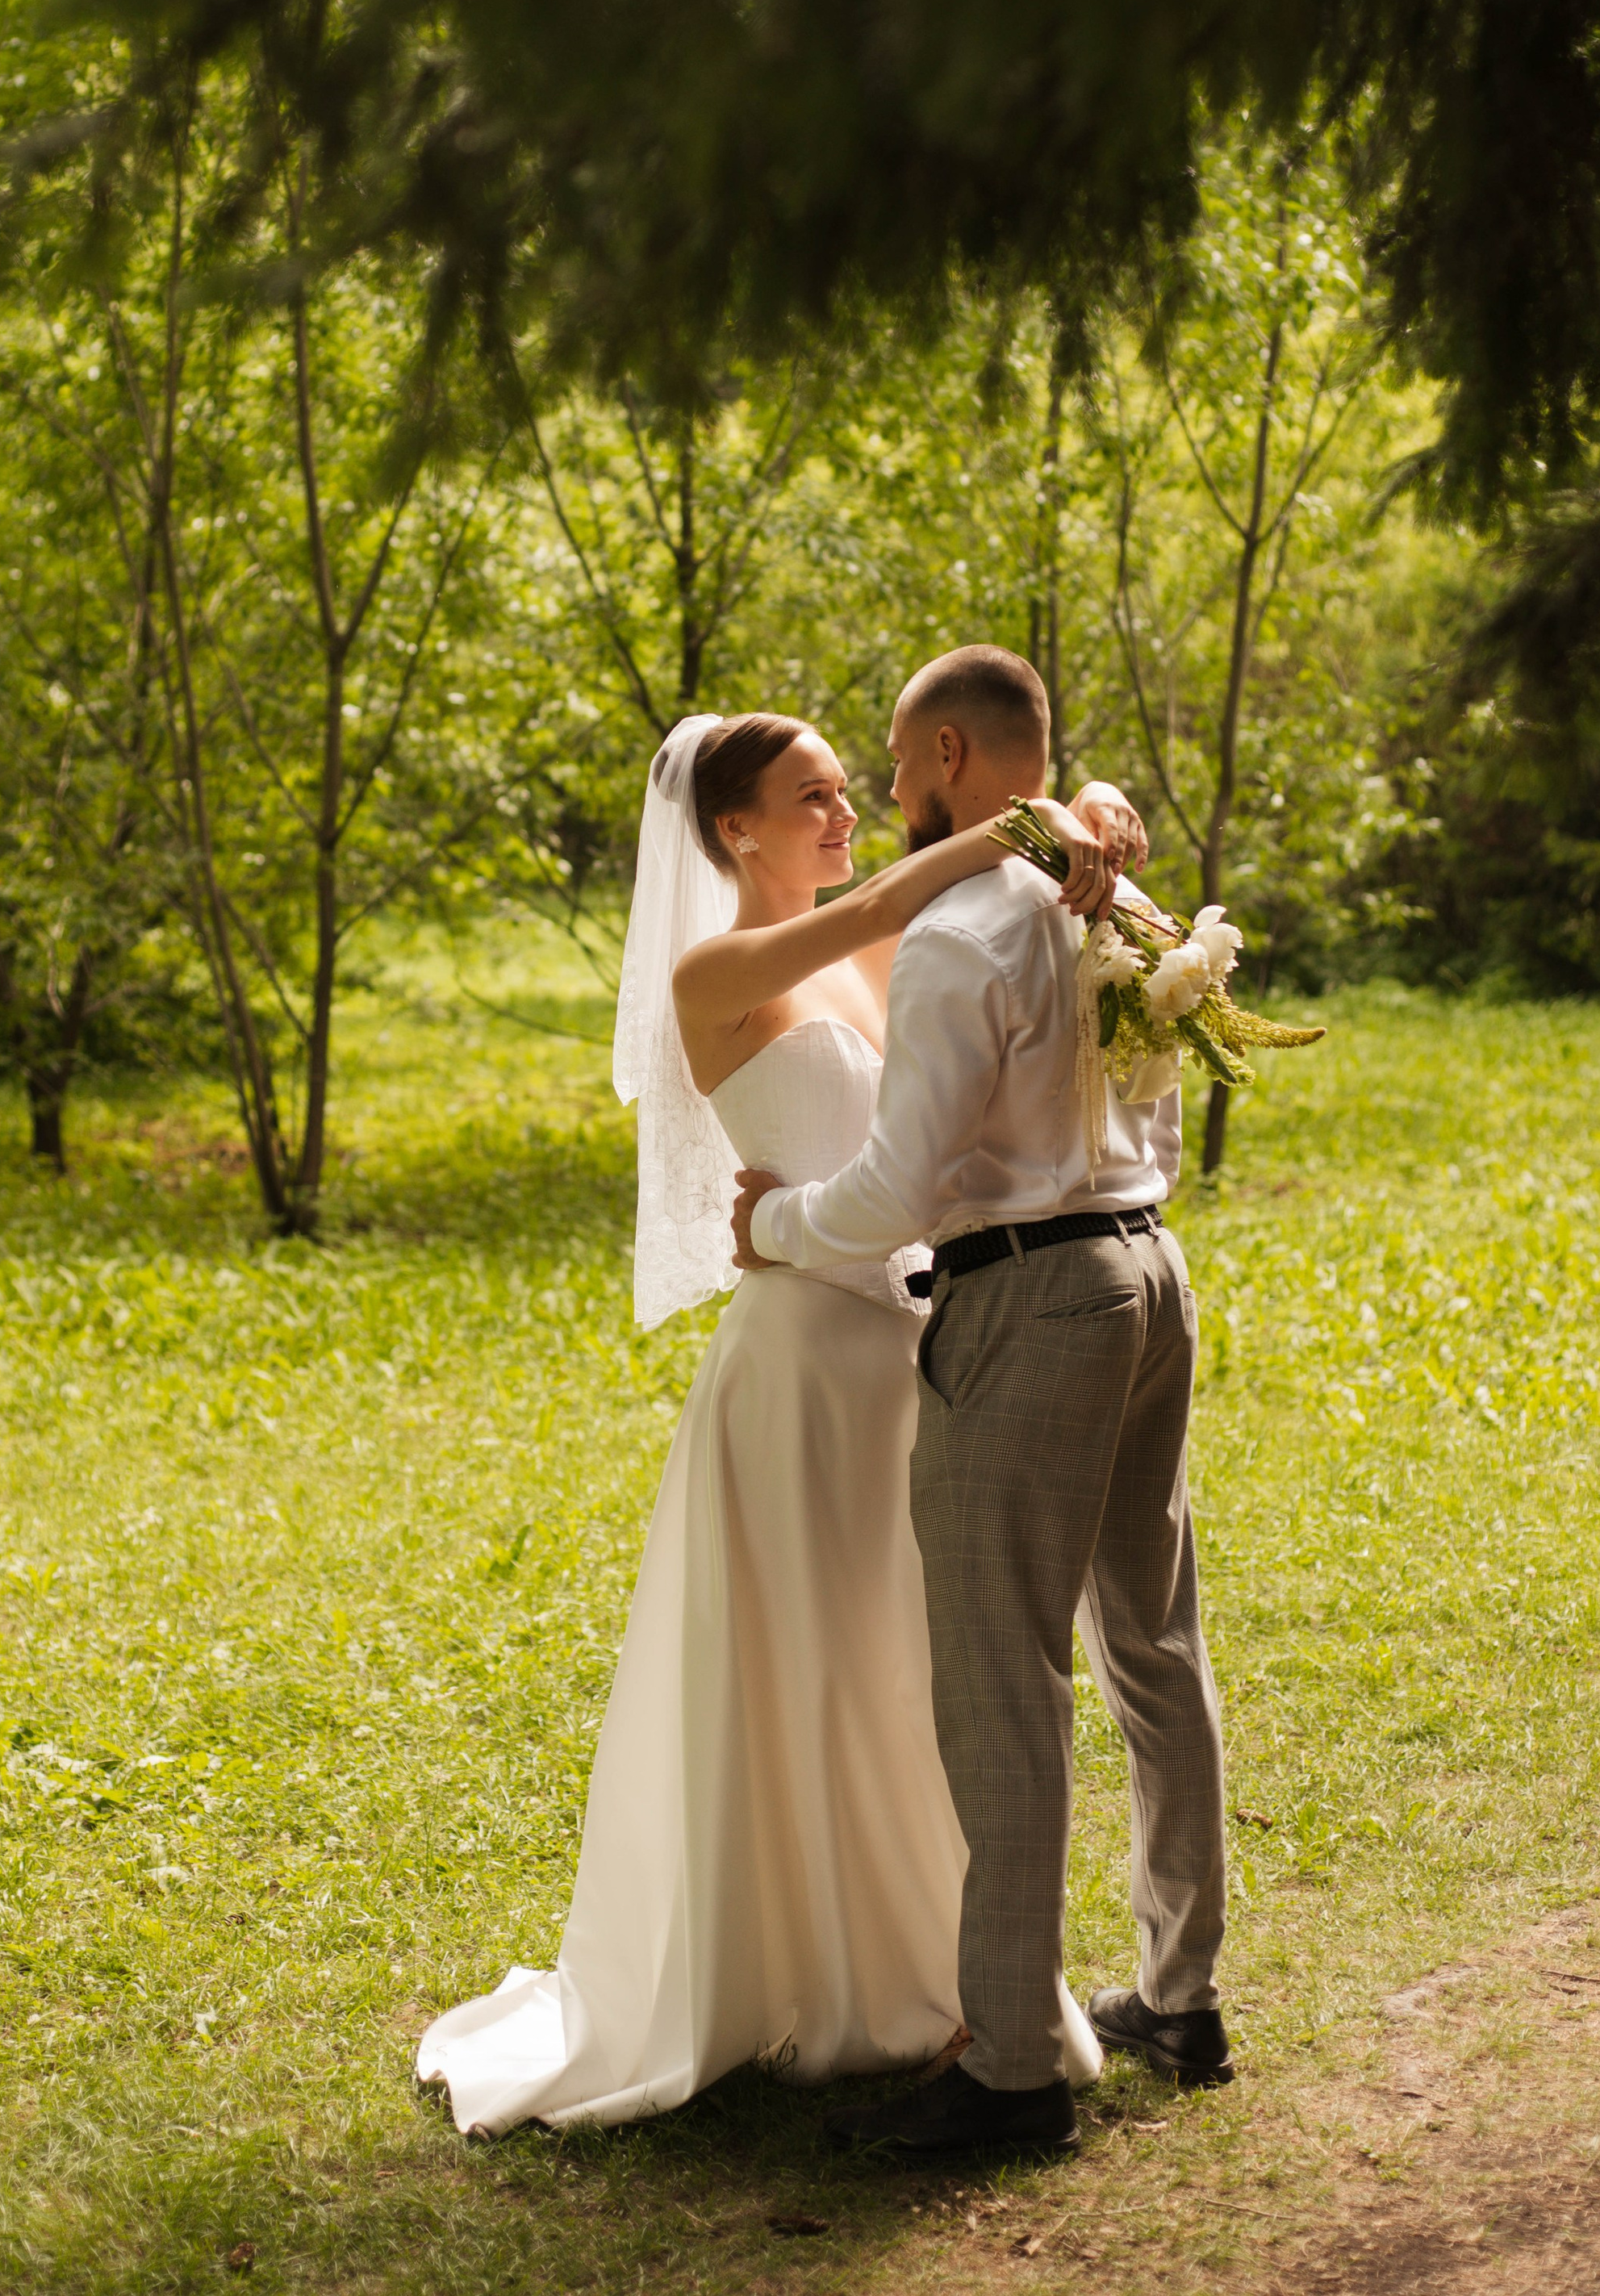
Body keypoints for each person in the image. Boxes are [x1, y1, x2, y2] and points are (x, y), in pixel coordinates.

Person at [415, 708, 1141, 2135]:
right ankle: (791, 1971)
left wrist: (1092, 807)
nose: (844, 815)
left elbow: (948, 1015)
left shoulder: (879, 959)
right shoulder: (723, 970)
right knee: (798, 1668)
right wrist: (1032, 816)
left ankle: (931, 1970)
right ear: (733, 828)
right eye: (811, 797)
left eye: (841, 792)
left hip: (913, 1353)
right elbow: (891, 893)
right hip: (798, 1370)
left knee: (906, 1665)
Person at [732, 645, 1231, 2162]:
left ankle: (1012, 2064)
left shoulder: (964, 926)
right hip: (1151, 1271)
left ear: (950, 752)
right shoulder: (1122, 906)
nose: (886, 795)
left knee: (1003, 1675)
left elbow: (896, 1189)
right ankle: (1180, 1995)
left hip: (1029, 1300)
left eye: (892, 765)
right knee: (1152, 1639)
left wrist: (771, 1226)